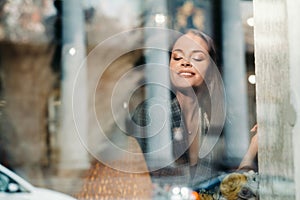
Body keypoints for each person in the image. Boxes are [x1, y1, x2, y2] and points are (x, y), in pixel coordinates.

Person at [131, 29, 256, 188]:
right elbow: (137, 178)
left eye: (197, 57)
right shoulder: (149, 114)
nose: (185, 62)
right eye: (177, 57)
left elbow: (233, 186)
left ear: (212, 70)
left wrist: (253, 149)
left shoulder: (225, 121)